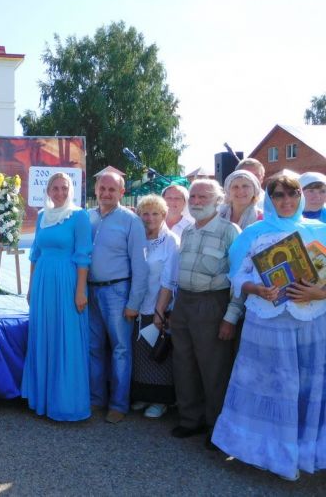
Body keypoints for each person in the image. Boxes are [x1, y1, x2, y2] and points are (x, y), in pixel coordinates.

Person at [212, 175, 326, 481]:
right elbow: (236, 276)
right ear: (269, 198)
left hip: (311, 323)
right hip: (267, 324)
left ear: (300, 196)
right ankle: (264, 452)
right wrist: (255, 289)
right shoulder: (252, 234)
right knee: (269, 386)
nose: (286, 201)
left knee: (303, 387)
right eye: (278, 195)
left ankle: (303, 451)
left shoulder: (321, 231)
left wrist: (319, 293)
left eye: (293, 194)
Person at [170, 179, 243, 446]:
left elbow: (239, 277)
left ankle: (217, 428)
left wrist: (230, 317)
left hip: (212, 304)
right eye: (194, 196)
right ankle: (191, 420)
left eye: (204, 196)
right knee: (184, 364)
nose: (197, 201)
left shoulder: (229, 231)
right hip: (184, 302)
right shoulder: (188, 230)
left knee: (213, 369)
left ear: (218, 200)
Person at [22, 173, 92, 421]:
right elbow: (35, 254)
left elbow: (83, 256)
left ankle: (66, 403)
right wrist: (31, 288)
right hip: (42, 282)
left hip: (66, 282)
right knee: (44, 335)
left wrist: (81, 290)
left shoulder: (79, 216)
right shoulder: (42, 216)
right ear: (48, 191)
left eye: (64, 188)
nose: (60, 192)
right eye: (55, 188)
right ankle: (43, 399)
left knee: (67, 337)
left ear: (70, 190)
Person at [87, 172, 149, 424]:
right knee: (93, 348)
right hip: (89, 291)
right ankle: (95, 399)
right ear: (96, 189)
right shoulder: (86, 217)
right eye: (102, 188)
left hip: (117, 292)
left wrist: (134, 303)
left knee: (120, 350)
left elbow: (140, 265)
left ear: (122, 193)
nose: (106, 193)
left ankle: (118, 404)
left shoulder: (131, 221)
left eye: (112, 189)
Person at [130, 195, 179, 419]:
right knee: (139, 353)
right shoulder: (136, 238)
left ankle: (160, 400)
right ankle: (143, 393)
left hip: (157, 306)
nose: (149, 218)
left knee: (157, 353)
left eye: (155, 213)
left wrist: (160, 311)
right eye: (145, 213)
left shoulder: (170, 242)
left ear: (164, 215)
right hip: (135, 305)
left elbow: (169, 279)